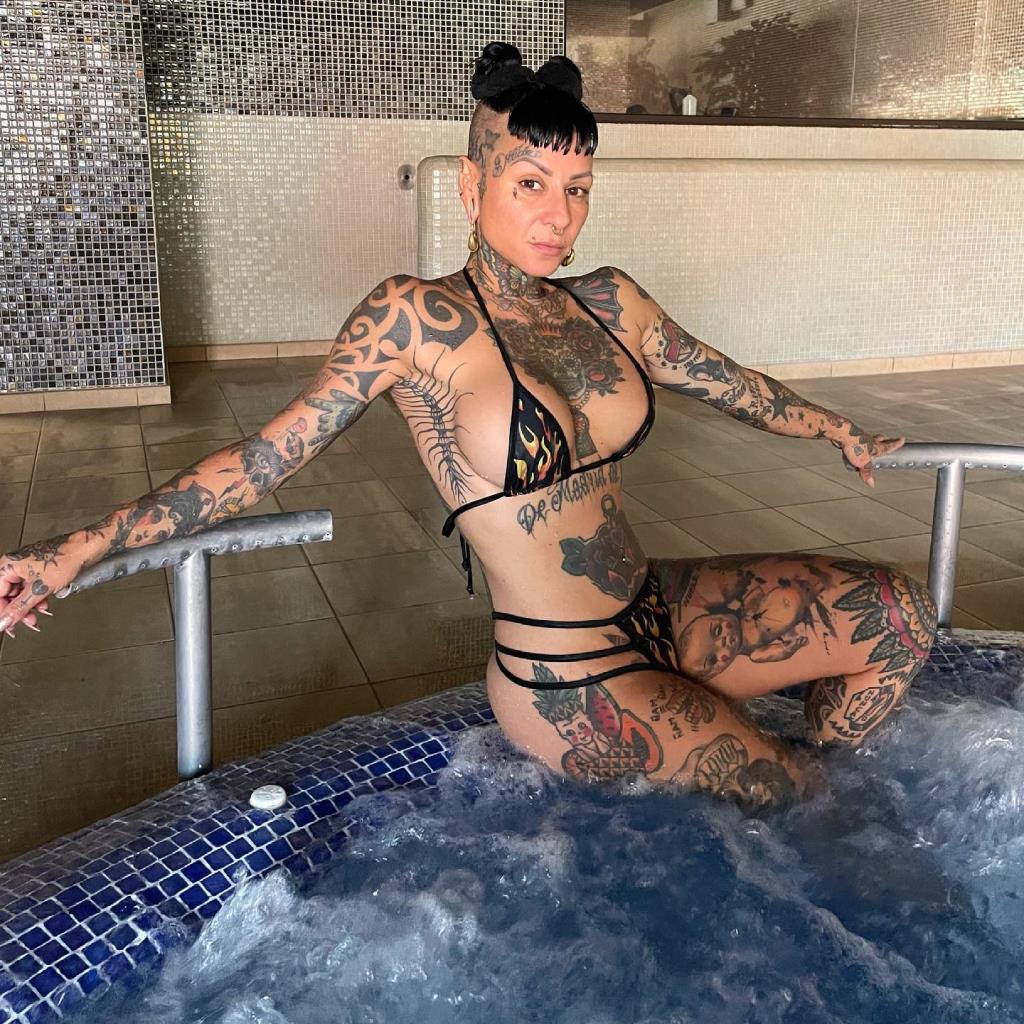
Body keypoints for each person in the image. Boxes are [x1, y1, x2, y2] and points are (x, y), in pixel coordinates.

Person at [0, 42, 936, 810]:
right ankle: (802, 818)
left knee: (900, 617)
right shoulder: (413, 318)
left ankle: (814, 799)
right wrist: (76, 548)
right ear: (469, 183)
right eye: (530, 182)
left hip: (657, 609)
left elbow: (727, 382)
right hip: (567, 674)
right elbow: (261, 460)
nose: (558, 215)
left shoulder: (610, 302)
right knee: (791, 792)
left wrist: (835, 428)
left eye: (578, 187)